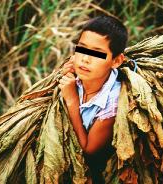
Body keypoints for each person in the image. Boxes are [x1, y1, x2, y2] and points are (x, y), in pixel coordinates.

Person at [58, 15, 128, 183]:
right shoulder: (76, 70)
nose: (85, 59)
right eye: (82, 49)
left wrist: (73, 100)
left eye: (97, 54)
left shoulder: (112, 105)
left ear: (116, 61)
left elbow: (89, 151)